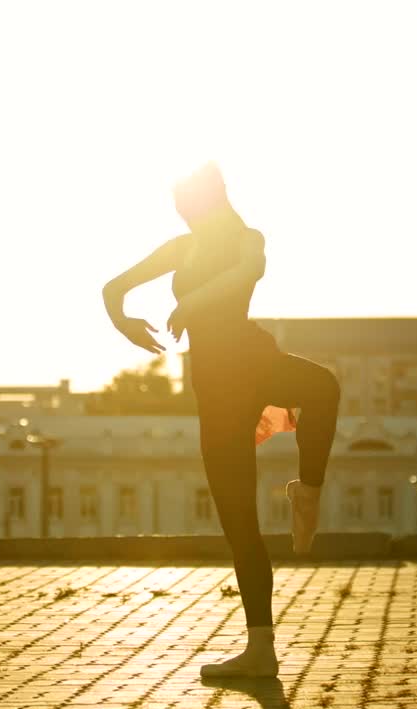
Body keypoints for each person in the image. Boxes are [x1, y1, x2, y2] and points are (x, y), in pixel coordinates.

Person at [101, 162, 340, 678]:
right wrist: (123, 323)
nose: (186, 215)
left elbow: (245, 272)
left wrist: (193, 300)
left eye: (191, 205)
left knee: (323, 387)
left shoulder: (246, 238)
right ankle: (261, 649)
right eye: (180, 208)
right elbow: (112, 288)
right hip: (216, 390)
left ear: (217, 197)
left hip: (252, 363)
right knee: (240, 524)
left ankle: (309, 491)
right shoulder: (181, 247)